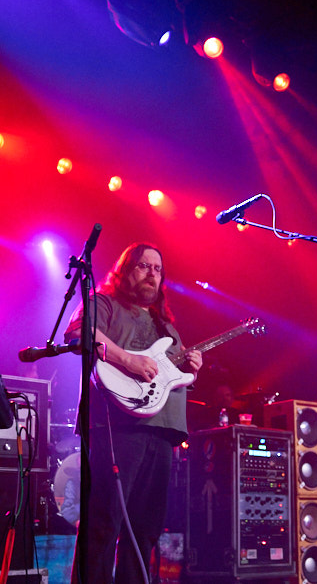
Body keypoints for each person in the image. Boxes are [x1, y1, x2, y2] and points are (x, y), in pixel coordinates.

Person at [64, 242, 202, 584]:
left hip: (162, 431)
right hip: (118, 425)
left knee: (145, 529)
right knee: (103, 520)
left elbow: (174, 380)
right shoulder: (106, 304)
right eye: (143, 266)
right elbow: (78, 332)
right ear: (125, 270)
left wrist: (193, 369)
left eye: (157, 269)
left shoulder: (167, 327)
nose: (151, 274)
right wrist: (128, 359)